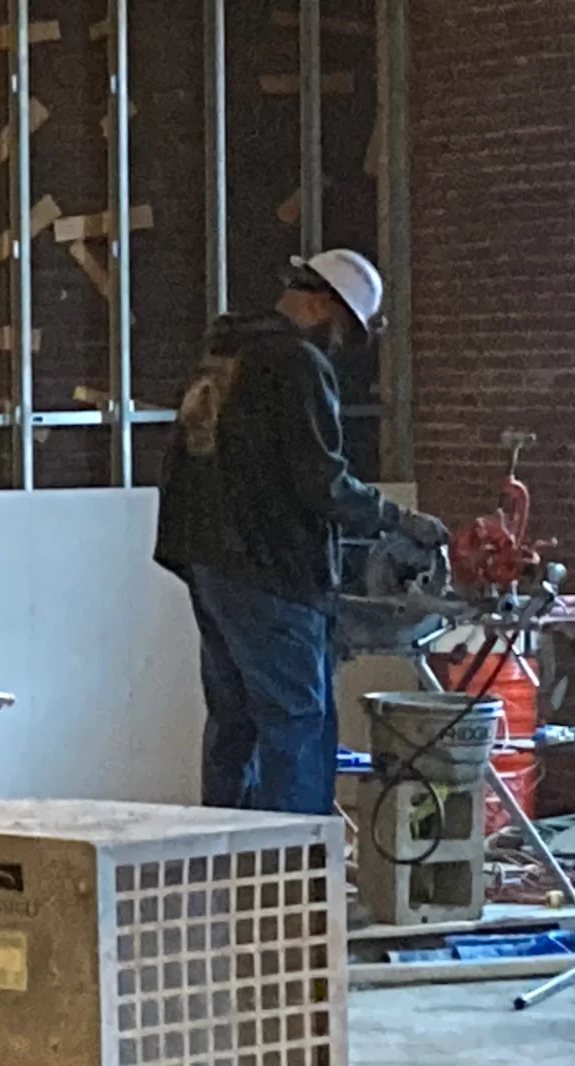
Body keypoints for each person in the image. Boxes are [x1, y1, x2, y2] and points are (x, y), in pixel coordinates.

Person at [154, 248, 447, 815]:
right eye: (342, 328)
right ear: (321, 304)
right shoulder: (295, 363)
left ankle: (227, 871)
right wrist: (395, 518)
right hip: (270, 571)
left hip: (209, 562)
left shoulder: (225, 354)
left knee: (234, 723)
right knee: (299, 727)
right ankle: (293, 878)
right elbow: (322, 480)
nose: (339, 344)